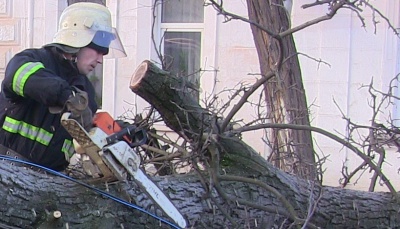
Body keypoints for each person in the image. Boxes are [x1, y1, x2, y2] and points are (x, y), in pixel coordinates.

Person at [0, 2, 126, 171]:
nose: (100, 60)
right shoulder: (34, 60)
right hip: (5, 166)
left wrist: (114, 133)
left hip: (49, 181)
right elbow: (19, 76)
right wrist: (67, 96)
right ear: (77, 40)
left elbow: (85, 138)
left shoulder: (85, 90)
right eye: (98, 50)